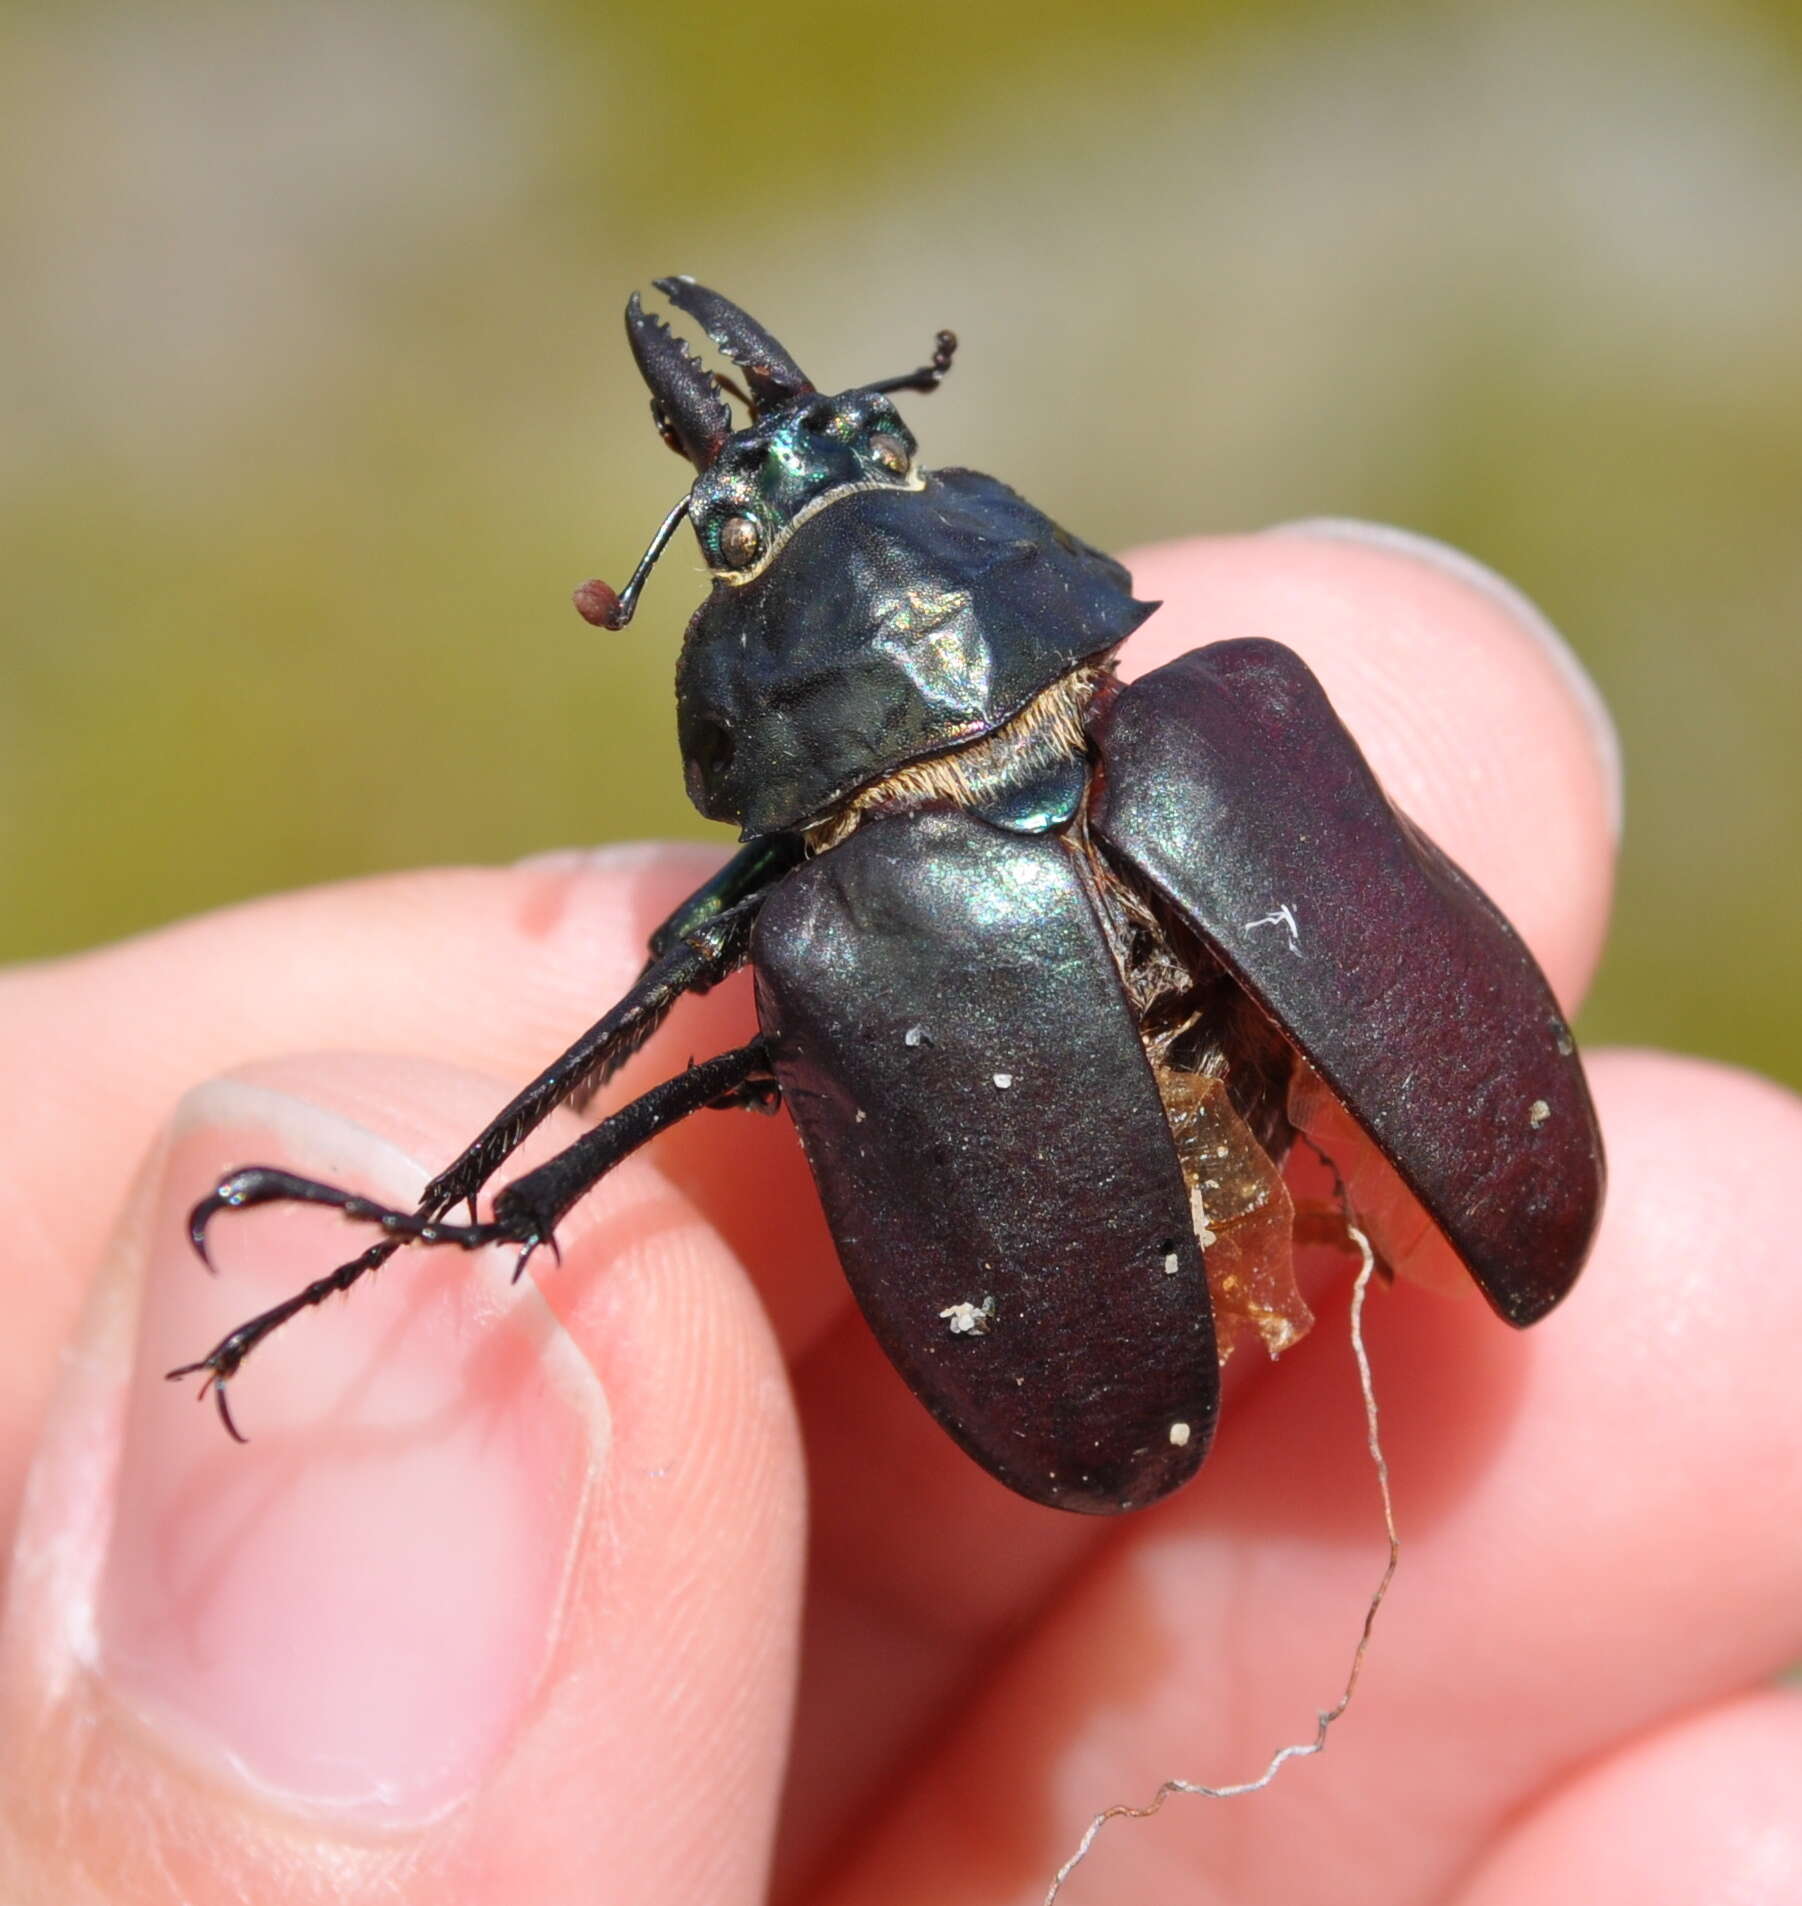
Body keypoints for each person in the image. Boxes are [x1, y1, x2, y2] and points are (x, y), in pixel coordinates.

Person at [3, 523, 1798, 1904]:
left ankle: (463, 1217)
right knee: (741, 1038)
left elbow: (633, 1011)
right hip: (1074, 1285)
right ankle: (461, 1218)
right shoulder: (1218, 714)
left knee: (721, 1043)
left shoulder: (1137, 745)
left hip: (1079, 1241)